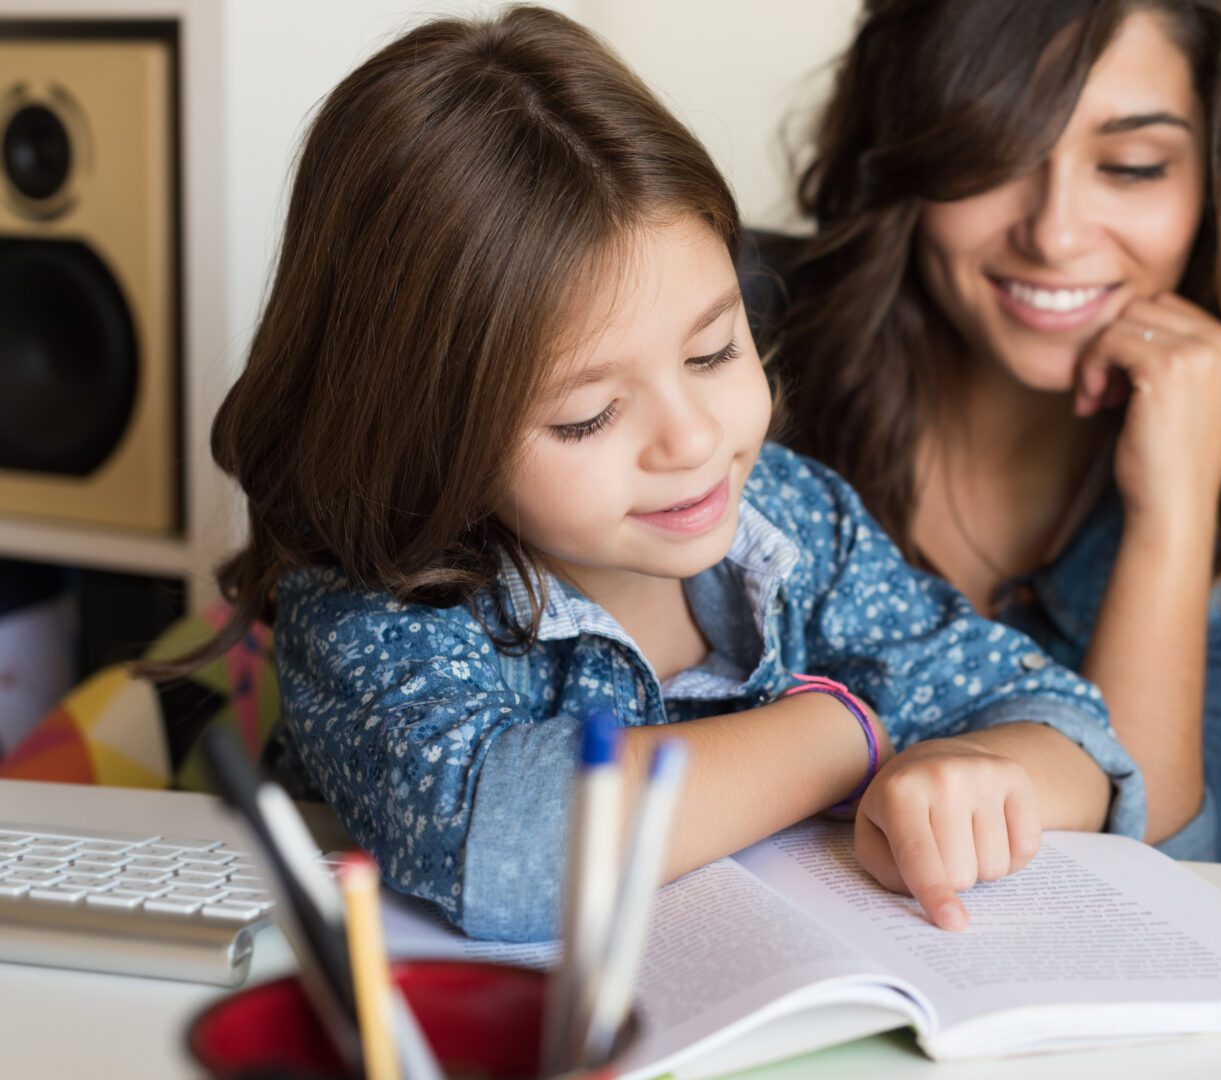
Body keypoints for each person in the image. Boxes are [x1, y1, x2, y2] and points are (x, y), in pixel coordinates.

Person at [145, 6, 1143, 940]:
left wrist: (971, 773)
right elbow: (501, 843)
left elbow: (1071, 733)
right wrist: (842, 737)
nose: (692, 440)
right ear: (426, 431)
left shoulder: (793, 519)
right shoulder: (377, 602)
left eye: (714, 352)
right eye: (587, 416)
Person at [777, 0, 1221, 861]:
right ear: (913, 148)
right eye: (998, 152)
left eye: (1131, 167)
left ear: (1215, 186)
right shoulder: (716, 356)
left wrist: (1171, 516)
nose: (1054, 234)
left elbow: (1157, 888)